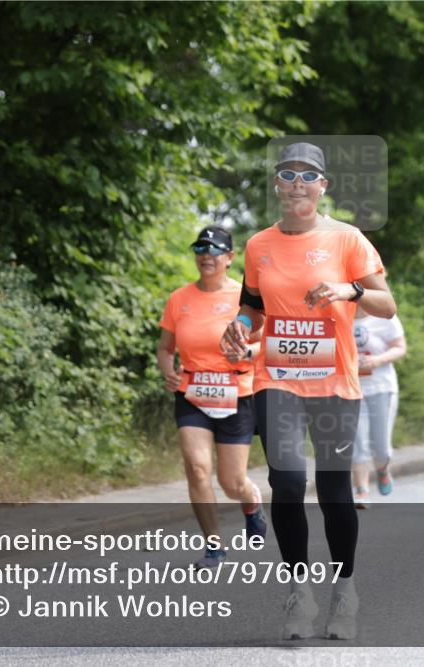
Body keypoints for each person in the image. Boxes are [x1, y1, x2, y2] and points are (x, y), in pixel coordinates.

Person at [221, 142, 396, 640]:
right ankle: (299, 591)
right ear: (277, 184)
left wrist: (349, 290)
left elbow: (386, 305)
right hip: (276, 378)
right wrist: (239, 326)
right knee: (288, 483)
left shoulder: (347, 239)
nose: (297, 183)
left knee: (335, 492)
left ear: (323, 186)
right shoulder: (258, 245)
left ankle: (345, 589)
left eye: (307, 175)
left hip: (334, 383)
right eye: (288, 174)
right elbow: (253, 307)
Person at [157, 226, 267, 569]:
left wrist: (246, 353)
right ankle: (214, 547)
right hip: (192, 393)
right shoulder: (179, 299)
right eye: (200, 248)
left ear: (230, 257)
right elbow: (165, 349)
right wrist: (167, 371)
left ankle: (250, 500)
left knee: (231, 483)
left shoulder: (244, 299)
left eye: (215, 249)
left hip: (237, 393)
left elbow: (266, 344)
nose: (207, 255)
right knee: (197, 468)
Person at [351, 306, 407, 508]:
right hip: (351, 389)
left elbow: (400, 347)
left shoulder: (384, 315)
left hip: (381, 387)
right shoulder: (340, 315)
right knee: (357, 442)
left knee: (380, 446)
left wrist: (377, 360)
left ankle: (383, 469)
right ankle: (362, 490)